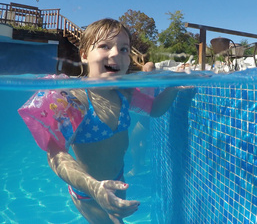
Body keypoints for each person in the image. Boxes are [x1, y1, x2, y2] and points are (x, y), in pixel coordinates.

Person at [18, 19, 180, 223]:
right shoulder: (76, 99)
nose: (115, 54)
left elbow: (155, 109)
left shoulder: (125, 93)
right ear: (84, 55)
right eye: (104, 46)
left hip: (118, 179)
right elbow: (56, 153)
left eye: (124, 49)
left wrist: (175, 86)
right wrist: (94, 187)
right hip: (88, 189)